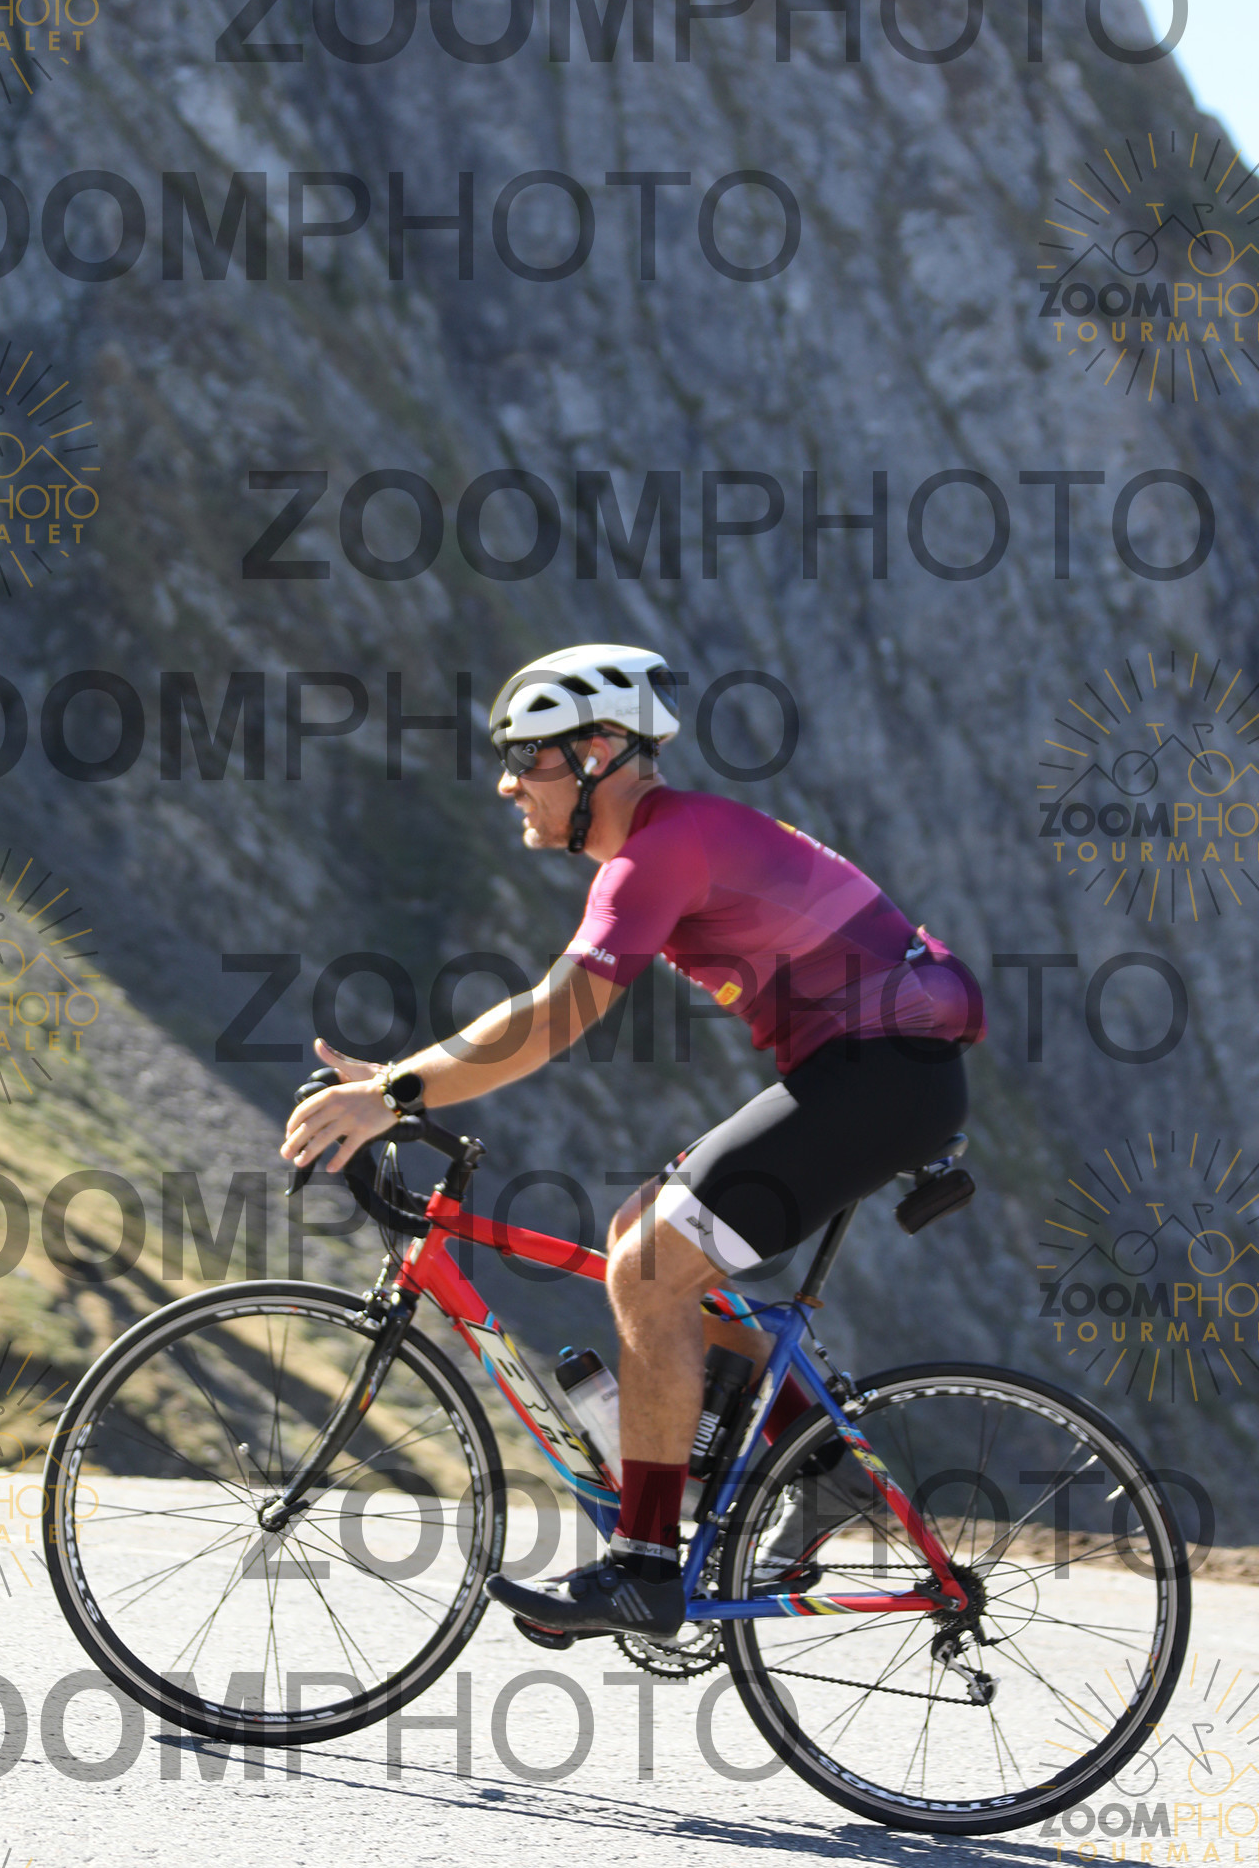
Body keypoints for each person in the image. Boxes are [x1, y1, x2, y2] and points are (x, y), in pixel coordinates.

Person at [281, 644, 983, 1640]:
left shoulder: (662, 849)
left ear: (600, 752)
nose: (509, 782)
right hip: (872, 1073)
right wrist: (400, 1085)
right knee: (640, 1239)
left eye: (528, 757)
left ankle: (644, 1567)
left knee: (650, 1269)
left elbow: (554, 1016)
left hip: (882, 1076)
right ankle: (823, 1468)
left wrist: (396, 1092)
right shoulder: (669, 842)